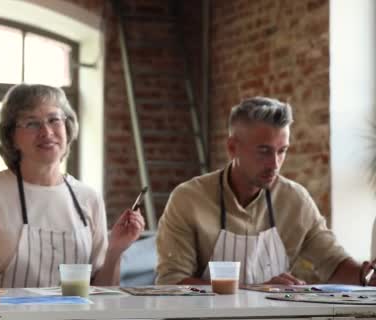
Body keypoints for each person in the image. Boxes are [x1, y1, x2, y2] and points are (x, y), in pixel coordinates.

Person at [155, 96, 376, 286]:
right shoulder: (188, 199)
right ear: (232, 148)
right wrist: (254, 290)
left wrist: (367, 277)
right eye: (264, 151)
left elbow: (333, 263)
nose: (275, 164)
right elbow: (172, 282)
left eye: (282, 151)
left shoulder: (295, 200)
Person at [0, 84, 145, 288]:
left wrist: (115, 252)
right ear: (11, 136)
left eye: (54, 120)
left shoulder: (89, 198)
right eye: (32, 123)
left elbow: (103, 291)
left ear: (67, 128)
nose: (46, 132)